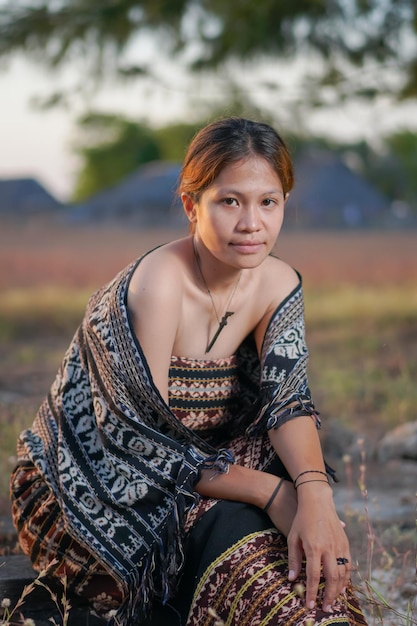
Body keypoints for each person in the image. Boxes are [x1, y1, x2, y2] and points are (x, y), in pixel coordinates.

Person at [10, 117, 368, 626]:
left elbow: (288, 400)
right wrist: (274, 492)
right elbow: (141, 446)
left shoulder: (279, 283)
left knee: (298, 514)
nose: (251, 224)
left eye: (269, 201)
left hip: (209, 466)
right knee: (241, 522)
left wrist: (314, 492)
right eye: (230, 201)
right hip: (94, 484)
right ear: (190, 205)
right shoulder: (157, 285)